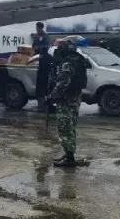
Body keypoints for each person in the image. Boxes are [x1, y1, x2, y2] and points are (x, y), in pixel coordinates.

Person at [51, 38, 88, 167]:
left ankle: (69, 158)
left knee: (64, 128)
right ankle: (68, 154)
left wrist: (53, 96)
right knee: (71, 127)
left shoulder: (66, 63)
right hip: (76, 97)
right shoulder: (79, 60)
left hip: (65, 99)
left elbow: (63, 82)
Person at [32, 22, 54, 104]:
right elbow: (33, 46)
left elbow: (47, 46)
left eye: (38, 28)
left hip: (44, 58)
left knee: (43, 80)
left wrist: (39, 49)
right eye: (36, 28)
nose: (37, 30)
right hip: (36, 58)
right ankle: (40, 98)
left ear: (41, 28)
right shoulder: (36, 36)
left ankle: (43, 98)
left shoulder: (46, 36)